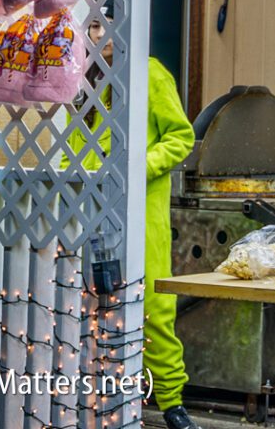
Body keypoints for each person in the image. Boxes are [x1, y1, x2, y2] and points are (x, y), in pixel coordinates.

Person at [69, 21, 199, 429]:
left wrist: (137, 168)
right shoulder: (79, 78)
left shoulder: (150, 72)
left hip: (141, 214)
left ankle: (172, 402)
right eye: (88, 25)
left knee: (155, 307)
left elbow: (182, 137)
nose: (96, 33)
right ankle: (100, 396)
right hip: (89, 212)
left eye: (102, 24)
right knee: (87, 302)